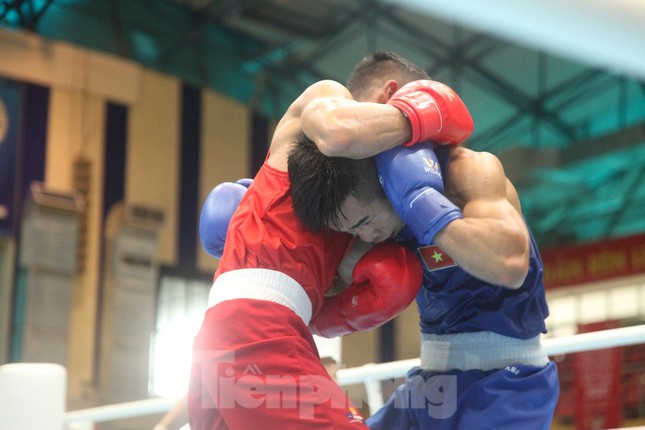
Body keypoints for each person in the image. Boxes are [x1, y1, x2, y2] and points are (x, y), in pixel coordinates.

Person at [188, 51, 474, 429]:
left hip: (230, 334)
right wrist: (421, 113)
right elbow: (340, 132)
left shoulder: (347, 208)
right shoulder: (324, 100)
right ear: (390, 94)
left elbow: (324, 308)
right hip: (259, 329)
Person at [288, 90, 559, 427]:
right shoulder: (364, 213)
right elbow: (327, 288)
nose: (366, 237)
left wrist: (422, 204)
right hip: (431, 384)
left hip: (508, 383)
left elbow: (511, 265)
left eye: (364, 223)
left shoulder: (468, 173)